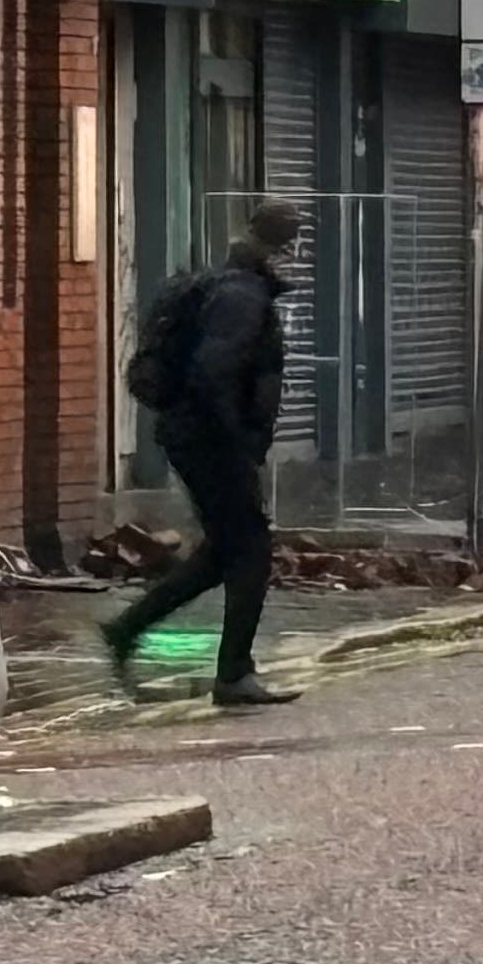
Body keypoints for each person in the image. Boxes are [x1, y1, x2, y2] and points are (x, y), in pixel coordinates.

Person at [102, 200, 305, 707]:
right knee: (251, 550)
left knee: (223, 552)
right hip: (210, 440)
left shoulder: (232, 287)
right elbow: (214, 373)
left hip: (197, 436)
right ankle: (233, 675)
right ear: (283, 248)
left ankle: (126, 629)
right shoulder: (241, 298)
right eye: (293, 246)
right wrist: (237, 441)